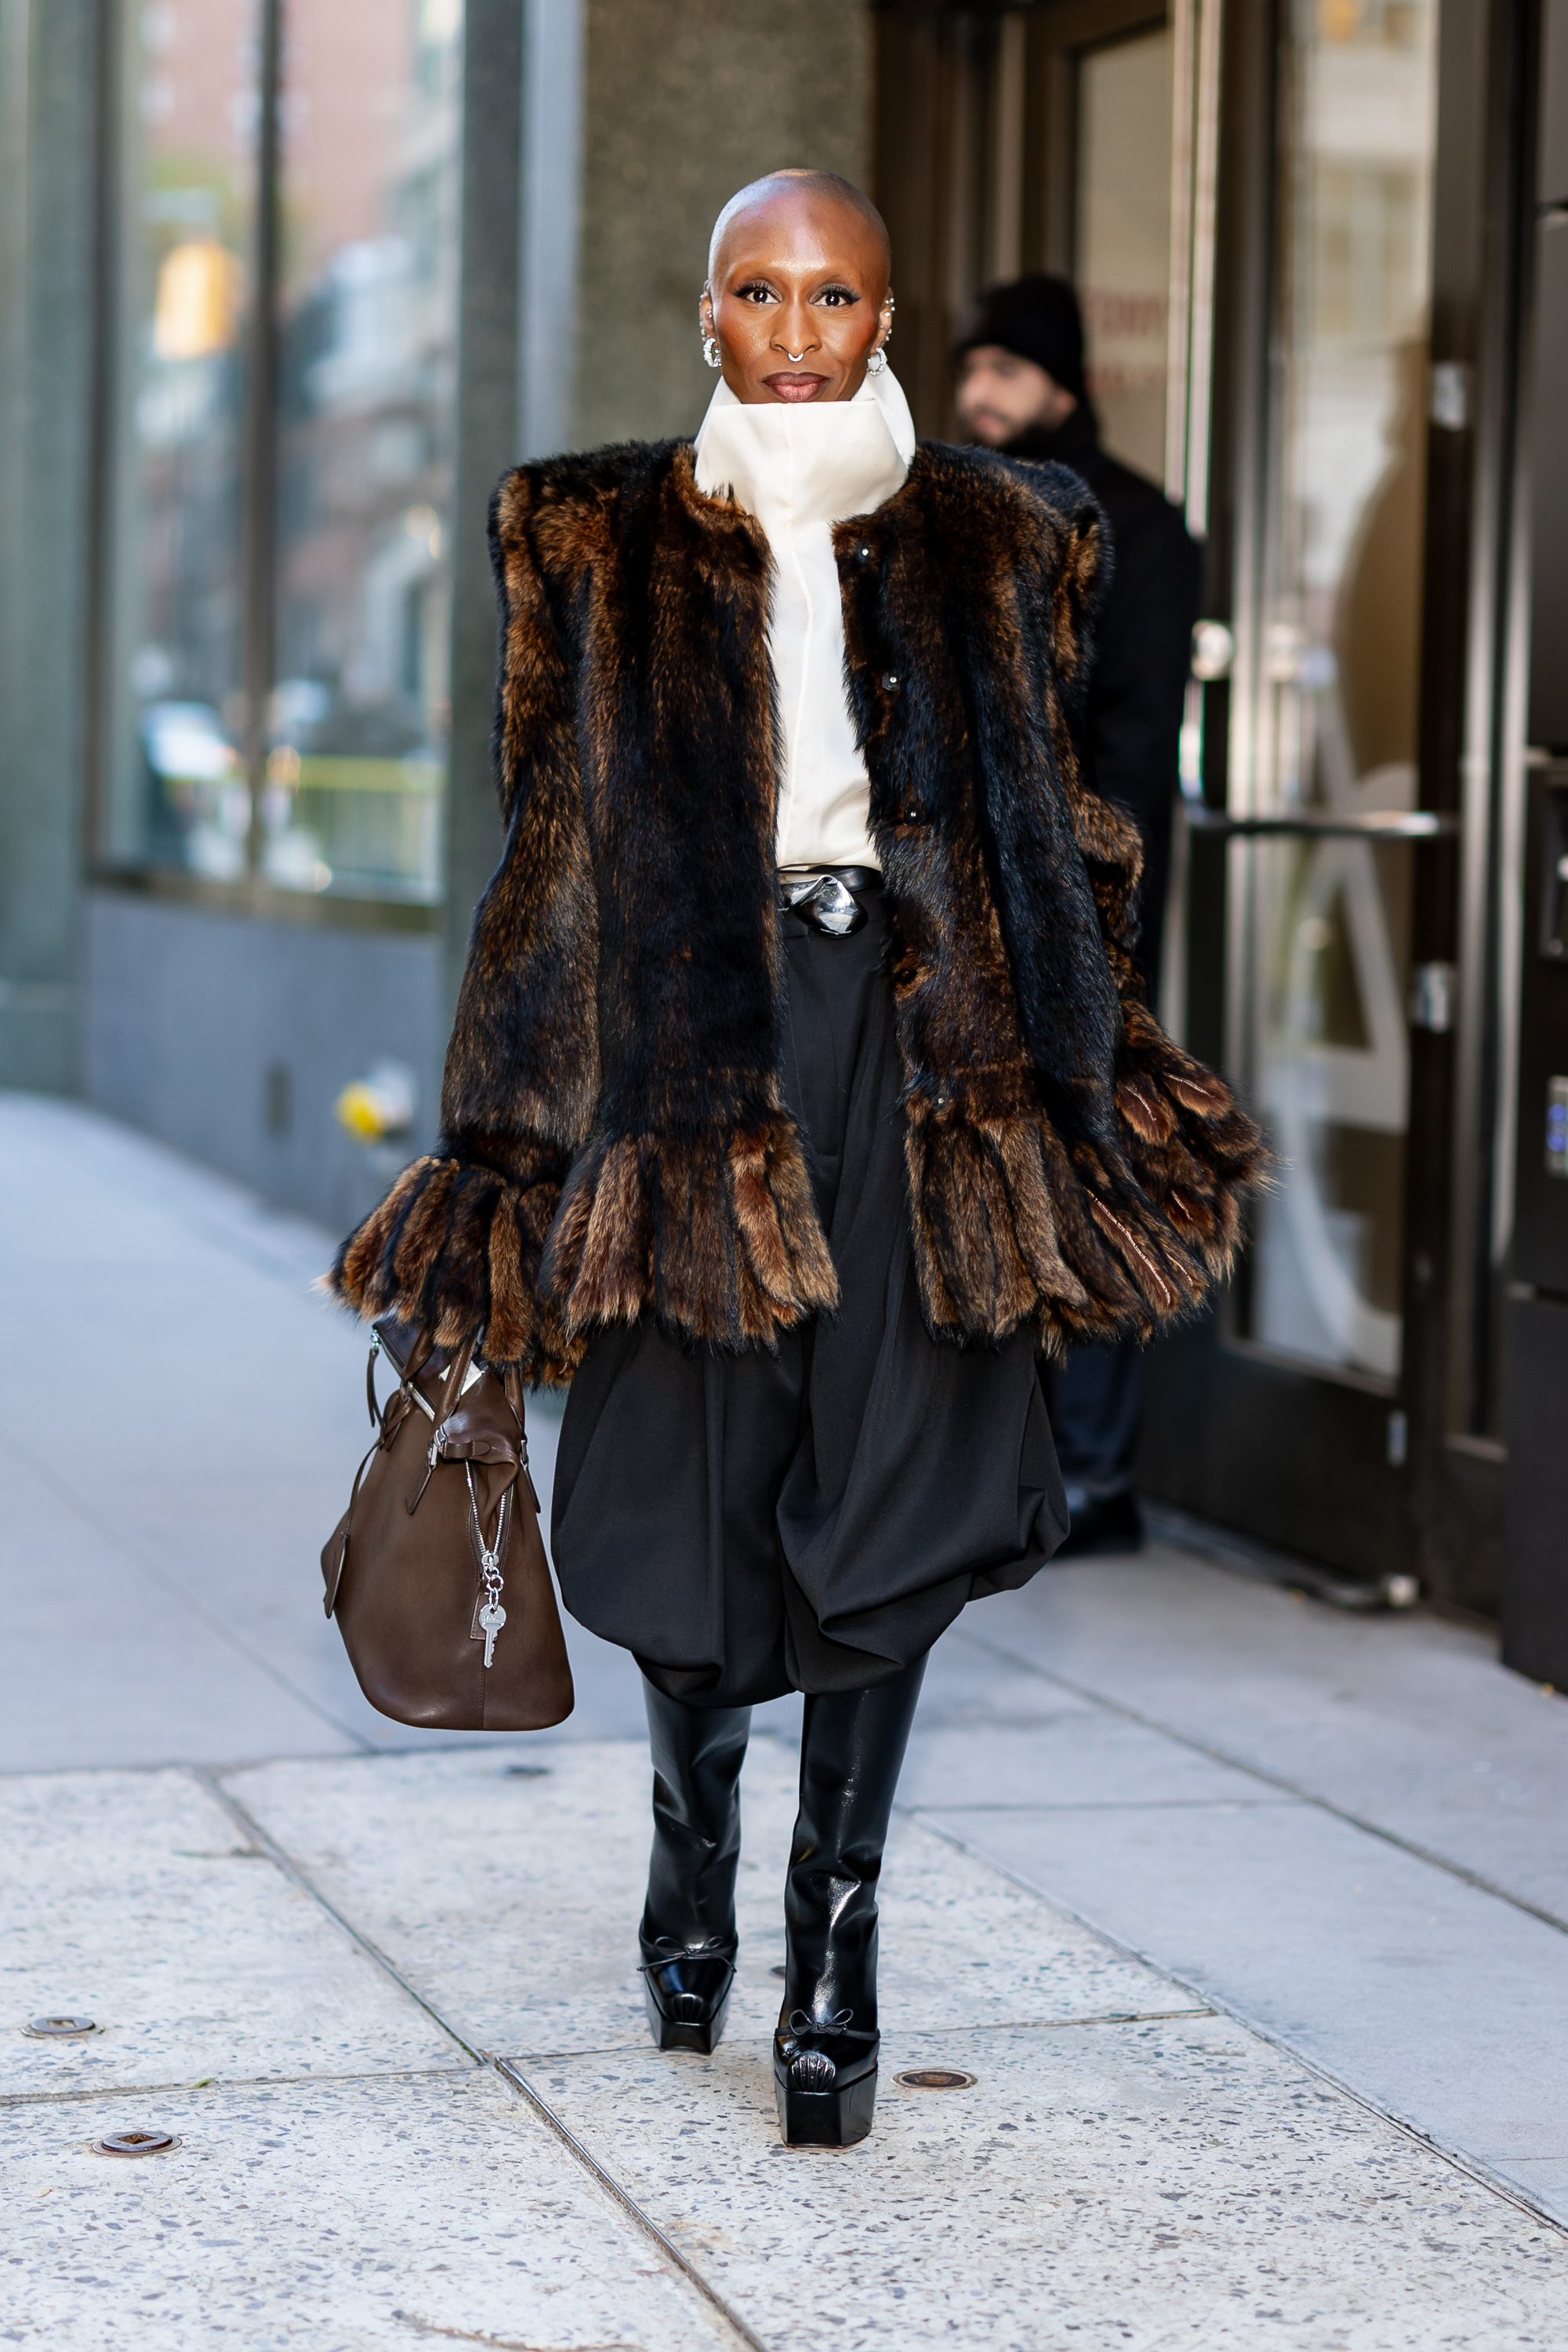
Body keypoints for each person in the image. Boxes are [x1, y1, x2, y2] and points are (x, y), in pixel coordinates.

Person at [328, 176, 1261, 2148]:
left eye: (834, 292)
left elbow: (1067, 832)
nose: (797, 325)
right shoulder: (583, 528)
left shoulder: (1011, 534)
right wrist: (504, 1146)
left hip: (916, 1061)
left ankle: (833, 1948)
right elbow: (547, 854)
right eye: (760, 289)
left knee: (901, 1488)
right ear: (706, 312)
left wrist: (1073, 1079)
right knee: (691, 1480)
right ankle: (694, 1836)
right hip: (693, 1049)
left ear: (885, 312)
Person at [956, 274, 1204, 1557]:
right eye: (969, 370)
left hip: (1082, 918)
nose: (976, 395)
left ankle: (1096, 1480)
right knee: (978, 1188)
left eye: (1001, 370)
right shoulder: (953, 512)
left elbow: (1133, 751)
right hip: (950, 922)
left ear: (1061, 383)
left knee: (1096, 1184)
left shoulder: (1142, 532)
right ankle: (996, 1475)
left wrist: (1078, 913)